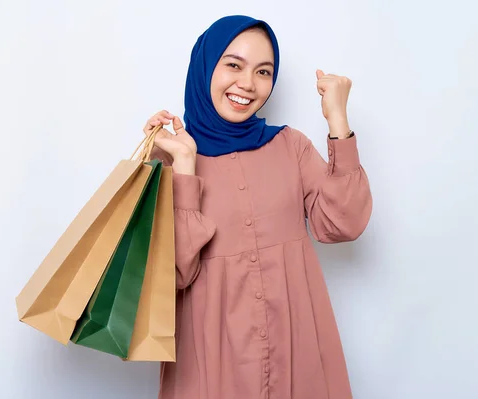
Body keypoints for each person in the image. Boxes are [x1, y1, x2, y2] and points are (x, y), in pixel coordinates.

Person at [143, 15, 372, 399]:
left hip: (297, 357)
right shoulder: (166, 158)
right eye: (233, 65)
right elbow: (172, 276)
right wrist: (183, 168)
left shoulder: (290, 147)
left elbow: (343, 224)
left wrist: (338, 121)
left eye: (263, 71)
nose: (248, 84)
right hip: (210, 367)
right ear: (205, 66)